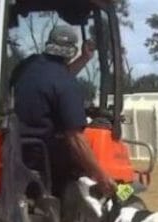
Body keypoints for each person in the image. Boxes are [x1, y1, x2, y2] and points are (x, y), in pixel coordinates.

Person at [12, 25, 116, 197]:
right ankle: (119, 196)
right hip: (46, 159)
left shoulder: (28, 66)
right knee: (84, 164)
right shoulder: (66, 83)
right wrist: (102, 175)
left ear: (49, 43)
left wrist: (84, 58)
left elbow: (53, 76)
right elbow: (75, 138)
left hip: (17, 149)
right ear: (72, 50)